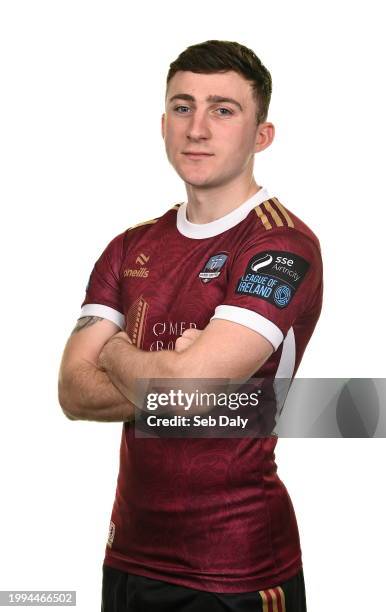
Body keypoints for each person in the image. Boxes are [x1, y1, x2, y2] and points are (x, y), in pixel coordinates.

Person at [58, 39, 323, 612]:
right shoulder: (128, 246)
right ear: (163, 123)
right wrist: (175, 378)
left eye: (223, 110)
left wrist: (119, 356)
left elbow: (194, 390)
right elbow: (73, 392)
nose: (197, 128)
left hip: (236, 569)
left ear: (261, 136)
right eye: (183, 107)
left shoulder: (279, 244)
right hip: (127, 556)